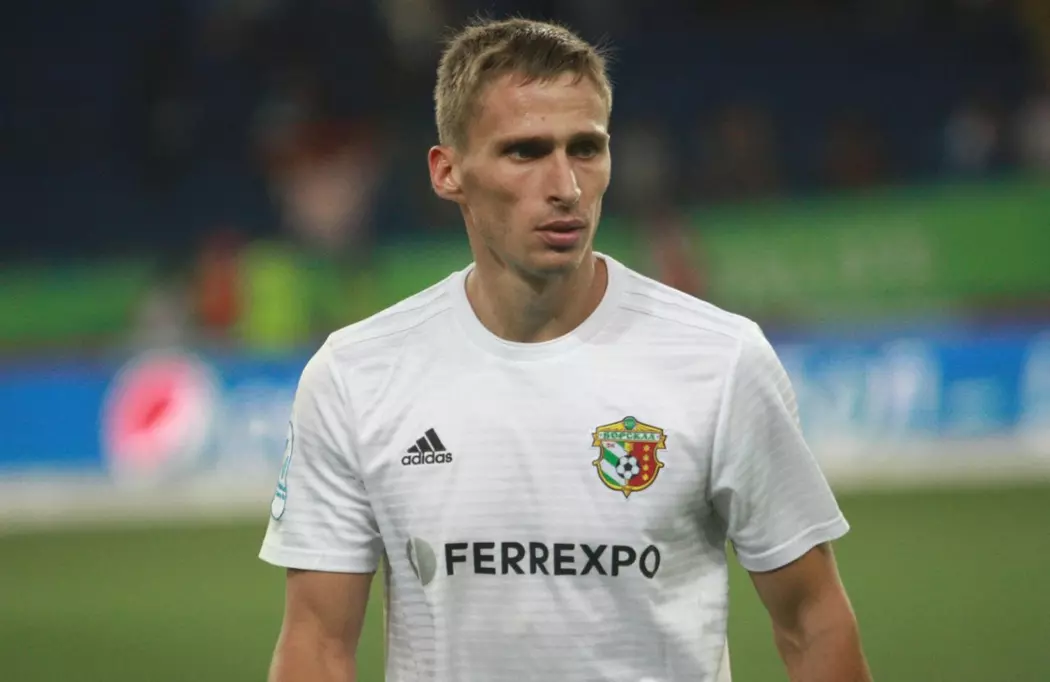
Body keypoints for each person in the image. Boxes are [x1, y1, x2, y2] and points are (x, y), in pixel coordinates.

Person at [259, 16, 872, 682]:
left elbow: (813, 621)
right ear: (448, 172)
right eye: (525, 152)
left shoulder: (721, 361)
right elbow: (316, 645)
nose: (566, 187)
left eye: (585, 148)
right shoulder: (355, 376)